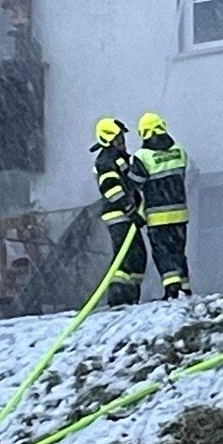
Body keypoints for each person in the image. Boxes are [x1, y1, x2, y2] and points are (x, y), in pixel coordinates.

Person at [130, 112, 192, 298]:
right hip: (179, 213)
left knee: (163, 252)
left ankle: (172, 288)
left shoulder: (142, 156)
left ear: (143, 133)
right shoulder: (179, 151)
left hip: (157, 216)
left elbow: (134, 183)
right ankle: (185, 287)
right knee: (178, 251)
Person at [91, 117, 149, 307]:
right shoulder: (105, 160)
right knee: (124, 257)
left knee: (137, 255)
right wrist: (130, 210)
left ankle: (131, 295)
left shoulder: (119, 158)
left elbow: (129, 182)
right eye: (118, 138)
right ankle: (118, 298)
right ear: (108, 139)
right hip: (117, 214)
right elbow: (111, 189)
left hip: (126, 212)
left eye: (122, 138)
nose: (122, 141)